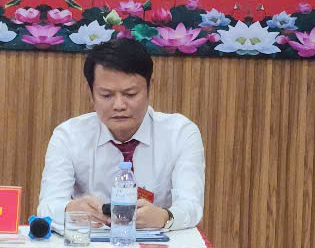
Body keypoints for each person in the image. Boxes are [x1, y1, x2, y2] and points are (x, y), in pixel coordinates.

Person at [38, 40, 206, 231]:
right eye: (106, 95)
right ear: (90, 93)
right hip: (89, 244)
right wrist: (71, 210)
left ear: (150, 87)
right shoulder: (69, 136)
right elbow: (47, 207)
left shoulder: (180, 134)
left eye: (130, 94)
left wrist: (165, 217)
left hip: (159, 246)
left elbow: (191, 206)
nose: (119, 105)